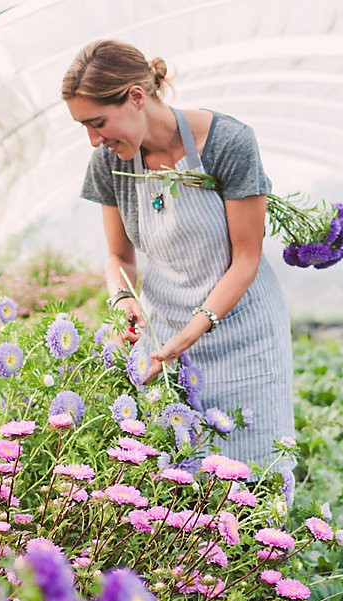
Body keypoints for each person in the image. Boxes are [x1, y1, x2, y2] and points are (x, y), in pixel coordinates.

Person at [62, 39, 295, 480]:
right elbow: (118, 257)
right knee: (182, 483)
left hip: (246, 339)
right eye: (84, 127)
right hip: (167, 341)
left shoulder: (227, 142)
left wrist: (195, 329)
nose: (94, 139)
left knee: (256, 477)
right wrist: (123, 300)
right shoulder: (109, 163)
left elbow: (246, 258)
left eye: (98, 123)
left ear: (136, 96)